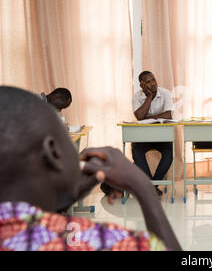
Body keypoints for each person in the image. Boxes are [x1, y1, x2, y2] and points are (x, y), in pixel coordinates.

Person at [0, 86, 181, 251]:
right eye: (64, 136)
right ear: (53, 152)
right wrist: (142, 184)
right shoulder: (92, 240)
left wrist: (60, 202)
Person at [132, 71, 174, 196]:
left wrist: (148, 118)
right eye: (148, 82)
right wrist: (149, 97)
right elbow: (139, 116)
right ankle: (151, 186)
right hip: (144, 137)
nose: (153, 84)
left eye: (153, 80)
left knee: (169, 153)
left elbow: (169, 115)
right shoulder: (137, 96)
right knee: (136, 151)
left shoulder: (165, 93)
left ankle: (152, 186)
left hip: (162, 136)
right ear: (142, 85)